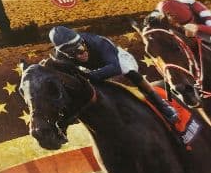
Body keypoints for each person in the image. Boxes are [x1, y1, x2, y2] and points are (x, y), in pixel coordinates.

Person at [49, 25, 178, 124]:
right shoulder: (60, 57)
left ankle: (162, 105)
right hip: (89, 69)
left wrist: (90, 76)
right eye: (73, 53)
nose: (80, 55)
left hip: (115, 60)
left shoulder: (99, 42)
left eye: (80, 49)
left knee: (130, 72)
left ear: (82, 41)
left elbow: (115, 67)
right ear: (64, 54)